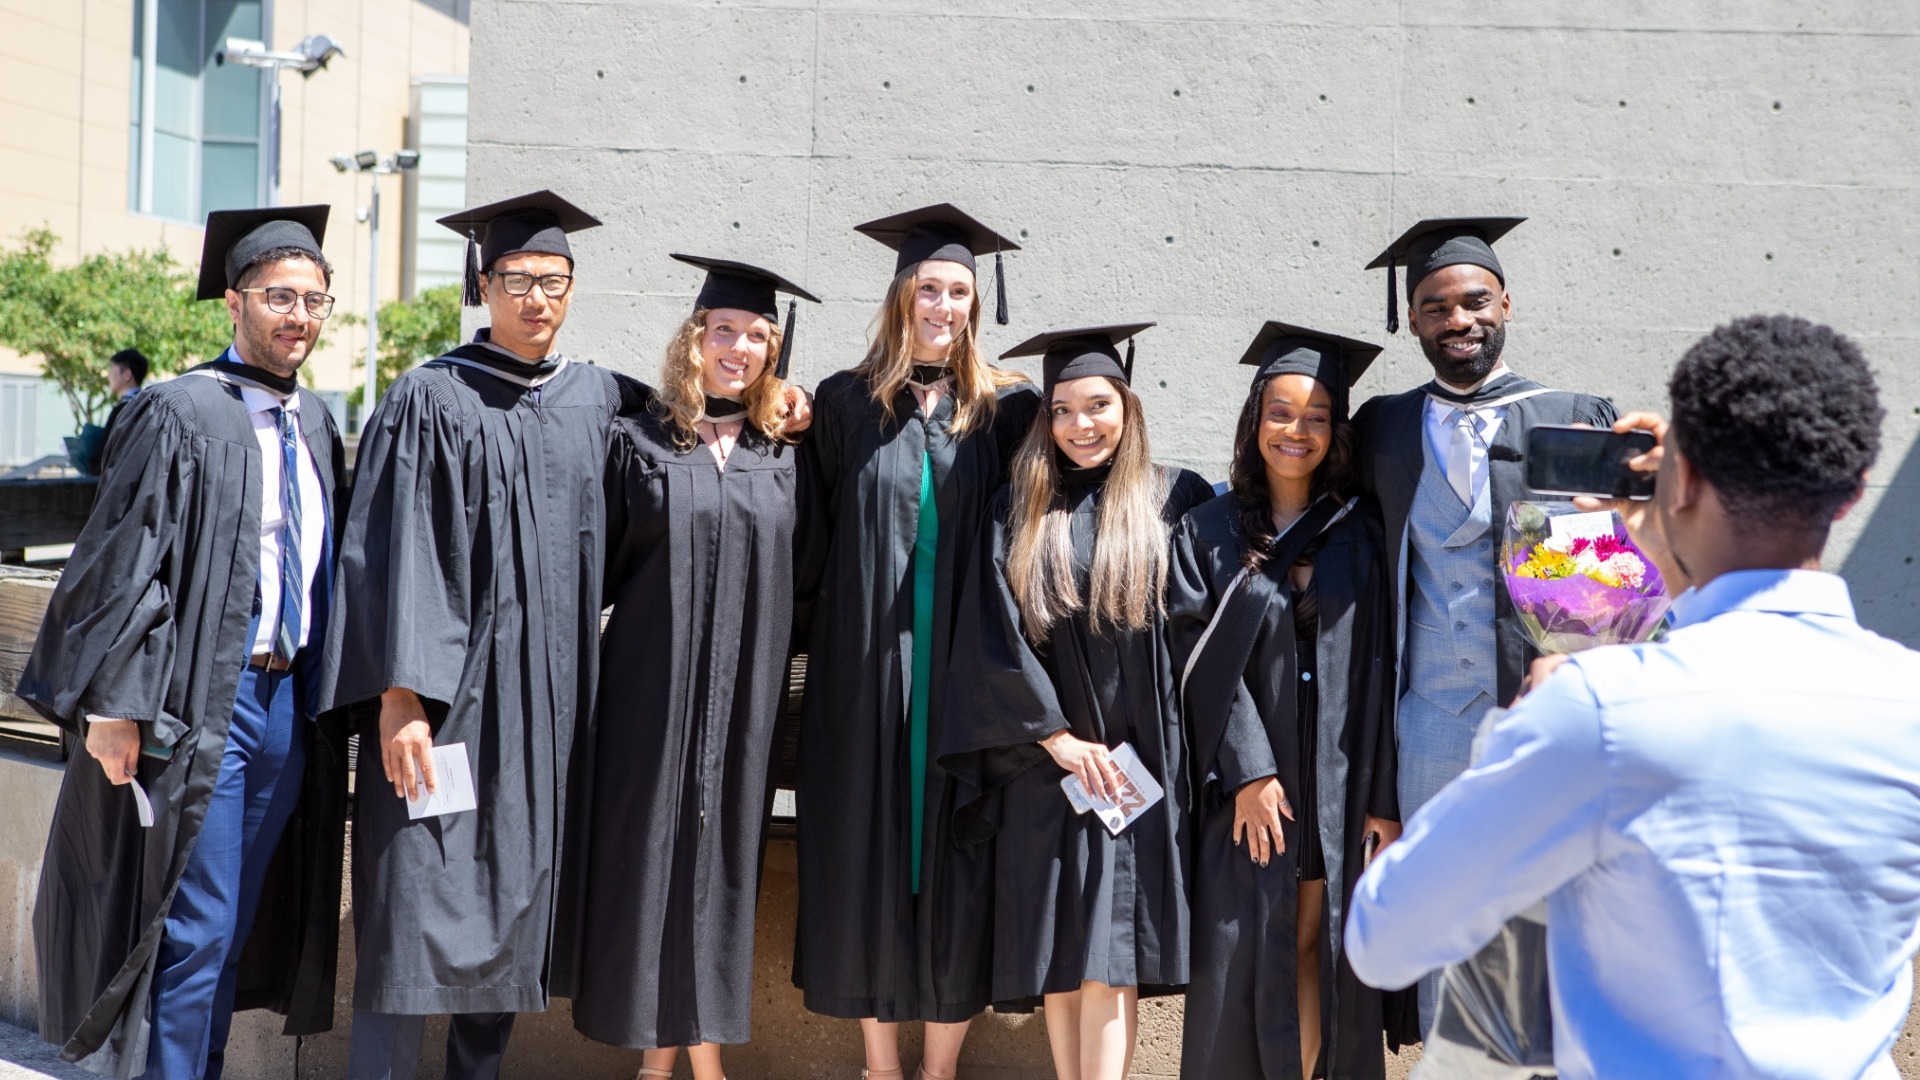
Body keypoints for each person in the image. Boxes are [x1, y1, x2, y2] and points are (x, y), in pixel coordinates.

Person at [1345, 315, 1914, 1079]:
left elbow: (1384, 938)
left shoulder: (1601, 711)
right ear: (1847, 497)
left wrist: (1524, 728)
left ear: (1685, 483)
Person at [319, 190, 655, 1080]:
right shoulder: (428, 396)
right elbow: (389, 553)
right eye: (516, 279)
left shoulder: (601, 401)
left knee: (514, 908)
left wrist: (787, 407)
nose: (535, 298)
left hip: (549, 718)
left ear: (573, 288)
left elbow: (690, 467)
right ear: (483, 284)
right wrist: (399, 695)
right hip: (448, 705)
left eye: (553, 280)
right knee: (411, 900)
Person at [20, 205, 350, 1079]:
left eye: (316, 300)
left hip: (287, 705)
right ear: (233, 304)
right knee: (194, 922)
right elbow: (122, 566)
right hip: (202, 703)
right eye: (280, 296)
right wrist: (115, 707)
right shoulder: (179, 410)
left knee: (232, 921)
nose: (300, 316)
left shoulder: (314, 422)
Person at [555, 254, 819, 1080]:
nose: (737, 348)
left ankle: (699, 1065)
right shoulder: (638, 440)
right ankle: (655, 1065)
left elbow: (810, 576)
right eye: (724, 331)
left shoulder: (792, 454)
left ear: (773, 356)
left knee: (719, 865)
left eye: (755, 337)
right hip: (647, 692)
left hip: (746, 696)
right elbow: (591, 564)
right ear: (695, 338)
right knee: (652, 861)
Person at [792, 203, 1038, 1080]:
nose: (943, 304)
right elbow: (804, 533)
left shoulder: (1007, 412)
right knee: (862, 847)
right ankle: (880, 1066)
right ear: (901, 297)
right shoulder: (843, 402)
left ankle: (938, 1070)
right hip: (862, 675)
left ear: (977, 303)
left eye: (959, 291)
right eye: (927, 287)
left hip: (963, 675)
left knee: (959, 854)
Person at [1352, 217, 1617, 1029]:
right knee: (1444, 909)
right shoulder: (1383, 428)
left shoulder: (1570, 415)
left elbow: (1604, 598)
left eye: (1474, 302)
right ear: (1411, 321)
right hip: (1425, 720)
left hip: (1532, 716)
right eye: (1436, 307)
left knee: (1541, 909)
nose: (1458, 320)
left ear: (1506, 302)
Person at [941, 325, 1212, 1080]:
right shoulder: (1017, 508)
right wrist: (1055, 738)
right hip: (1048, 768)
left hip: (1136, 769)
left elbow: (1202, 634)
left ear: (1127, 409)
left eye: (1097, 405)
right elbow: (990, 635)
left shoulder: (1171, 497)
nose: (1079, 425)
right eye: (1060, 409)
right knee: (1060, 952)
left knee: (1109, 953)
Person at [1168, 323, 1416, 1079]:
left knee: (1318, 950)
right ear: (1254, 422)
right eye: (1281, 413)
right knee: (1247, 957)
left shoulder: (1363, 532)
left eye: (1316, 417)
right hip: (1250, 790)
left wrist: (1379, 795)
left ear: (1337, 431)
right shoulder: (1207, 531)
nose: (1297, 431)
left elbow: (1384, 665)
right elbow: (1186, 652)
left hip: (1335, 783)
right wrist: (1246, 771)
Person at [86, 347, 148, 474]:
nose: (108, 377)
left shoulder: (122, 410)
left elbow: (105, 457)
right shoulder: (150, 405)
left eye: (111, 370)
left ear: (127, 375)